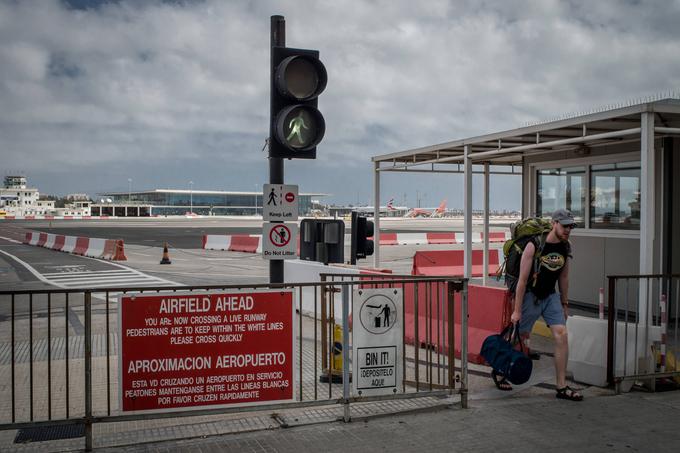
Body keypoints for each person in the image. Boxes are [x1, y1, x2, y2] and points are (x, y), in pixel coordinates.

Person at [495, 209, 583, 401]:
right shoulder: (533, 245)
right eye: (564, 225)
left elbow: (564, 276)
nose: (568, 229)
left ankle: (561, 386)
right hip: (530, 296)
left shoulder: (566, 247)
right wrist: (517, 311)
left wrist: (564, 303)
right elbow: (522, 281)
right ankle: (500, 369)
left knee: (562, 335)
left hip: (550, 296)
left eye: (571, 226)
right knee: (518, 336)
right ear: (554, 224)